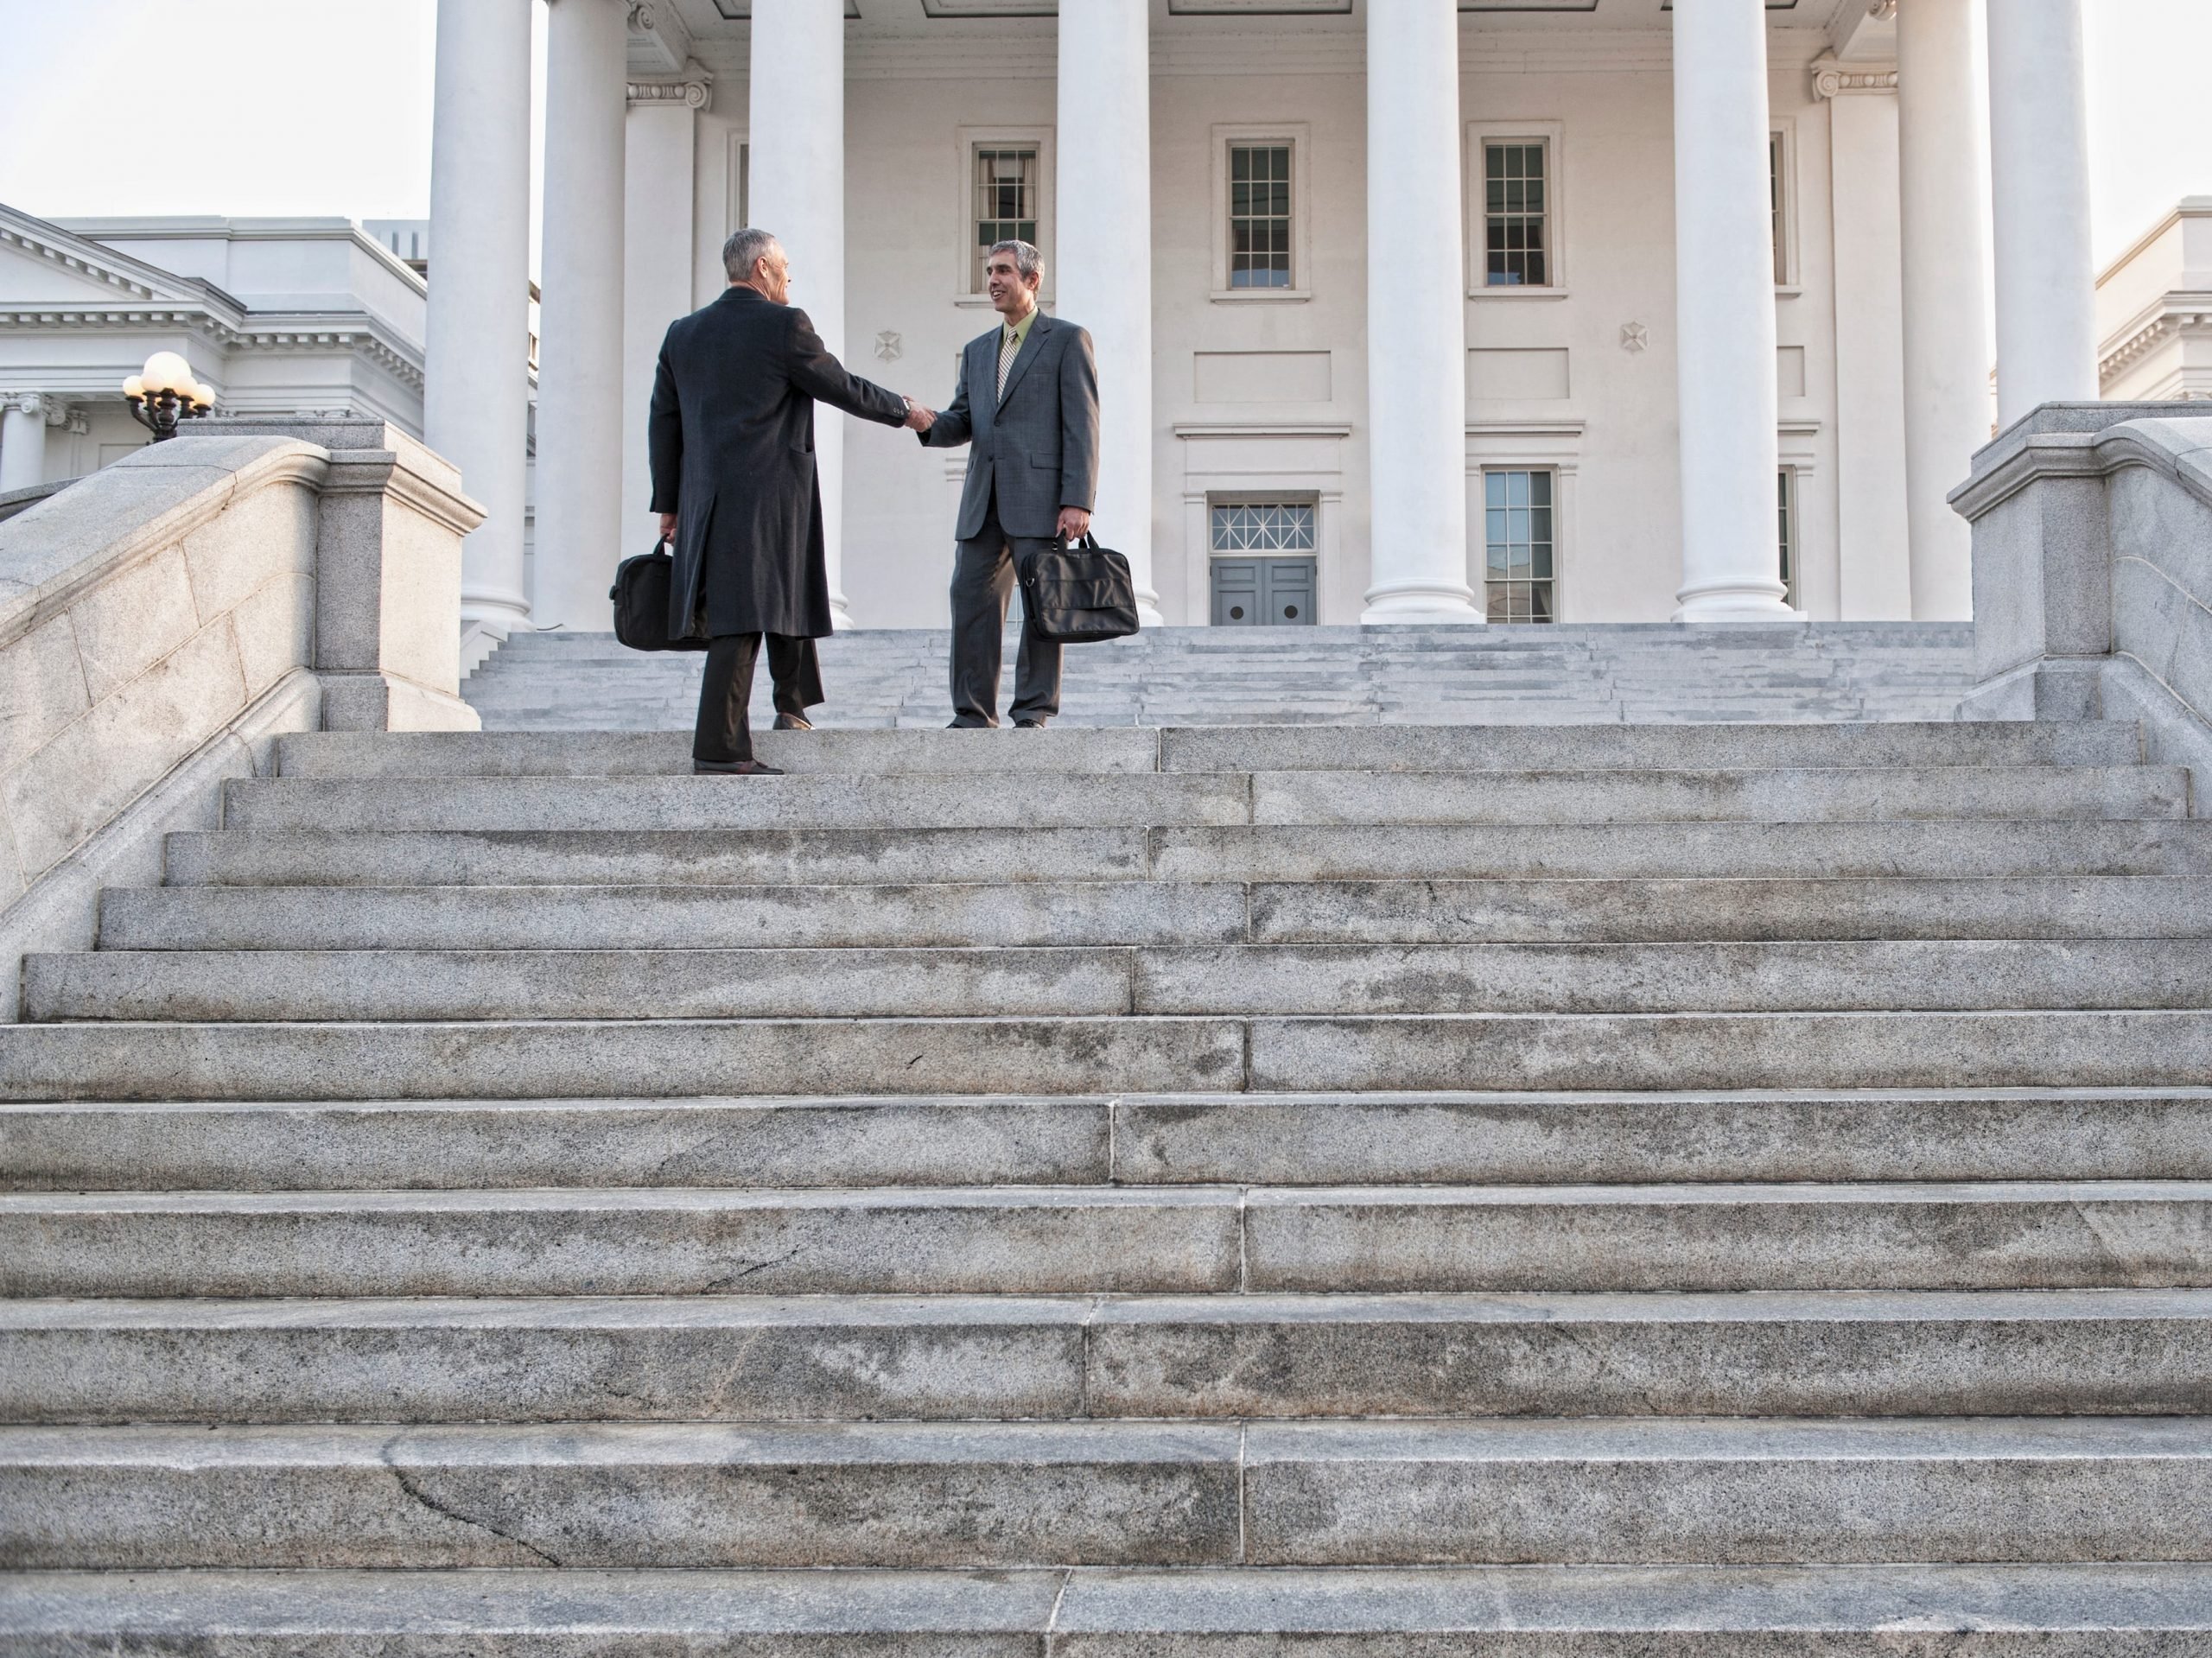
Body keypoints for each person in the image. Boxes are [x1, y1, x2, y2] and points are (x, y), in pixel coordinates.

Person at [649, 226, 931, 774]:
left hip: (707, 497)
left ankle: (792, 705)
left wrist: (670, 503)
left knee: (788, 589)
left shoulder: (682, 334)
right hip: (770, 494)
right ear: (761, 270)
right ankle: (720, 750)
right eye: (784, 268)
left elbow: (663, 422)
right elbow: (841, 385)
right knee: (742, 615)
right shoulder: (784, 324)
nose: (789, 278)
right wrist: (905, 410)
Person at [908, 238, 1098, 729]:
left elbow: (1082, 425)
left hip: (1041, 501)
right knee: (970, 598)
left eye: (1003, 271)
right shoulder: (976, 352)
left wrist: (1078, 499)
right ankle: (972, 712)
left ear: (1032, 280)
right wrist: (925, 421)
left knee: (1042, 607)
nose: (992, 280)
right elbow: (963, 420)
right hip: (982, 503)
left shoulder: (1067, 340)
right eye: (989, 271)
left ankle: (1033, 710)